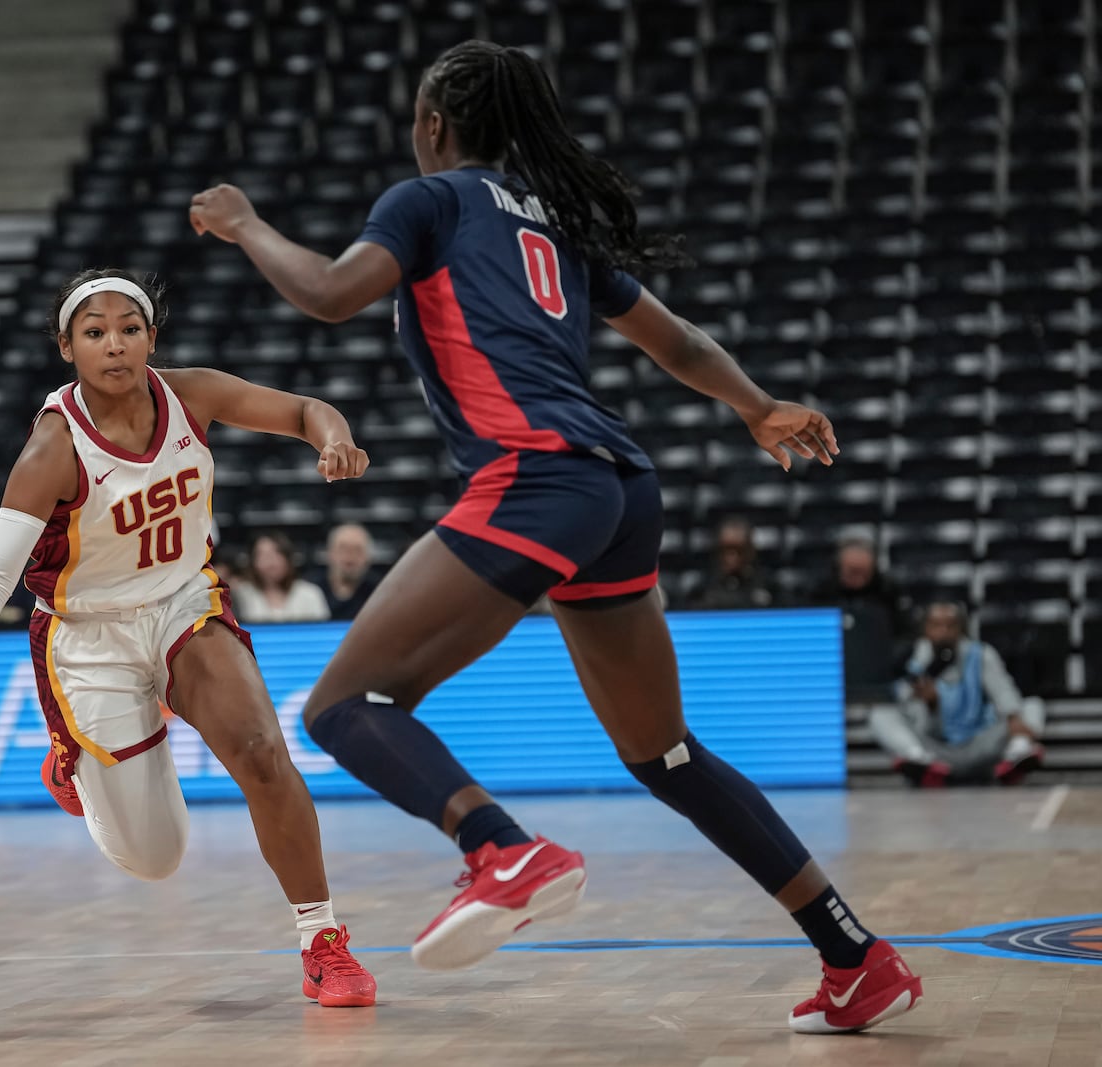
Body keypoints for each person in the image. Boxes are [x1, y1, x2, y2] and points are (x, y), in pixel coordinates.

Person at [189, 39, 920, 1033]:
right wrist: (756, 405)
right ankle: (854, 953)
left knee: (343, 705)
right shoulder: (555, 222)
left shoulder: (430, 202)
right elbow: (680, 342)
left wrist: (244, 224)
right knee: (665, 755)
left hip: (536, 474)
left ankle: (497, 846)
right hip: (620, 483)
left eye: (415, 117)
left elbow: (326, 293)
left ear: (435, 124)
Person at [0, 268, 377, 1008]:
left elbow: (304, 410)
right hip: (87, 634)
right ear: (67, 347)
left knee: (265, 751)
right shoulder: (53, 447)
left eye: (130, 329)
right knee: (156, 857)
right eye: (95, 332)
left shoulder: (190, 393)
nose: (115, 345)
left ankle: (322, 940)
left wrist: (336, 439)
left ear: (151, 337)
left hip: (182, 602)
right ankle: (72, 765)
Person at [870, 601, 1046, 786]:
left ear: (961, 628)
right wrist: (931, 705)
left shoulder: (981, 653)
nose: (943, 632)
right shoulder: (912, 658)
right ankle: (919, 761)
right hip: (934, 749)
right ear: (925, 629)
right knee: (880, 715)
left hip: (978, 744)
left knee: (1032, 705)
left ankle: (1017, 753)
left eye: (950, 625)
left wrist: (1013, 717)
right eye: (936, 625)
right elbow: (916, 722)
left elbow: (1003, 692)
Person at [808, 535, 911, 702]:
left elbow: (906, 636)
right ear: (838, 568)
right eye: (852, 571)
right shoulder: (821, 594)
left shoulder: (889, 593)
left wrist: (888, 662)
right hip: (831, 678)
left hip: (881, 678)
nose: (858, 578)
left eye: (864, 572)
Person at [233, 531, 331, 623]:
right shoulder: (240, 595)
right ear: (253, 562)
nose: (271, 561)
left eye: (277, 553)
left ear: (288, 558)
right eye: (263, 555)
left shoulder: (310, 593)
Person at [685, 516, 776, 609]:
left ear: (750, 551)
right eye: (725, 550)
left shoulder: (768, 585)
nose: (731, 557)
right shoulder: (702, 588)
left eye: (738, 550)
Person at [311, 522, 381, 621]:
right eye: (343, 549)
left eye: (358, 550)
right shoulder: (309, 589)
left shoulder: (379, 590)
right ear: (330, 553)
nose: (350, 557)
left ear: (368, 557)